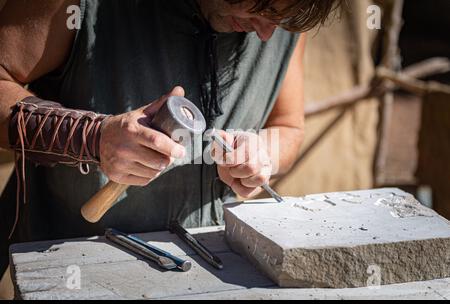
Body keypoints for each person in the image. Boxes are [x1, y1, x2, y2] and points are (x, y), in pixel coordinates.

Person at [0, 0, 341, 276]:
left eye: (280, 21)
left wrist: (261, 152)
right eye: (261, 10)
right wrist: (90, 137)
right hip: (69, 262)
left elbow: (288, 128)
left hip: (209, 272)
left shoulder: (287, 14)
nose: (267, 34)